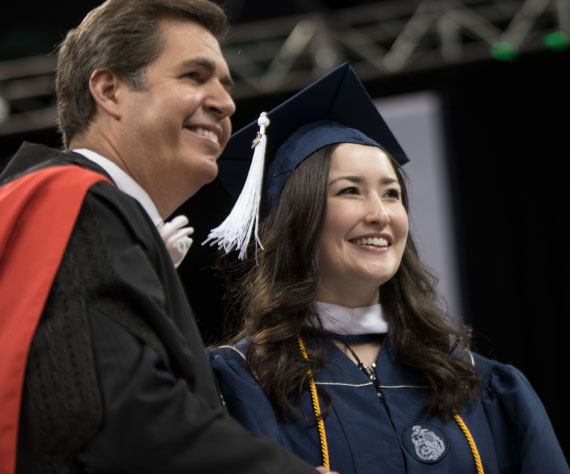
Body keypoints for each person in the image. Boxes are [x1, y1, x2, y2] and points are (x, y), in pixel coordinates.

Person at [0, 0, 337, 474]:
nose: (226, 102)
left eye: (225, 82)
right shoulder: (79, 207)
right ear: (110, 90)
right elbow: (124, 419)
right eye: (194, 76)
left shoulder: (36, 206)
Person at [206, 63, 569, 473]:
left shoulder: (475, 382)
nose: (380, 214)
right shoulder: (244, 384)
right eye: (350, 191)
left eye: (392, 193)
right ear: (297, 217)